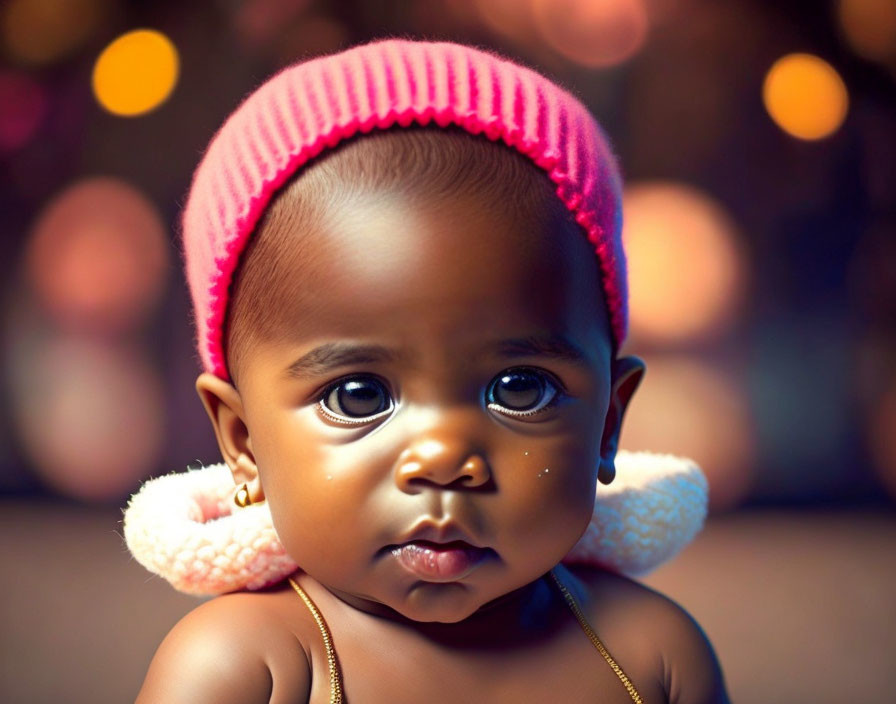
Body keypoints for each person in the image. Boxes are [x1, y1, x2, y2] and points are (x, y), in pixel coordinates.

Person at [125, 38, 729, 703]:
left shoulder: (650, 655)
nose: (444, 460)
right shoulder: (249, 668)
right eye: (358, 397)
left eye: (519, 388)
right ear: (243, 440)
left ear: (608, 422)